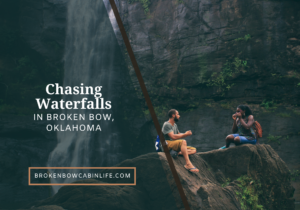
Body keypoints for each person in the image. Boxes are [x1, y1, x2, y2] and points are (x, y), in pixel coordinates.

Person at [162, 109, 199, 173]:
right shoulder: (167, 124)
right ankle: (188, 164)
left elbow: (179, 134)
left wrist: (186, 133)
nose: (179, 116)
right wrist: (185, 134)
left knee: (194, 150)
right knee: (183, 141)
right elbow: (173, 137)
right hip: (166, 144)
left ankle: (178, 153)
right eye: (178, 114)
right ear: (173, 115)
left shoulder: (175, 125)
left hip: (173, 144)